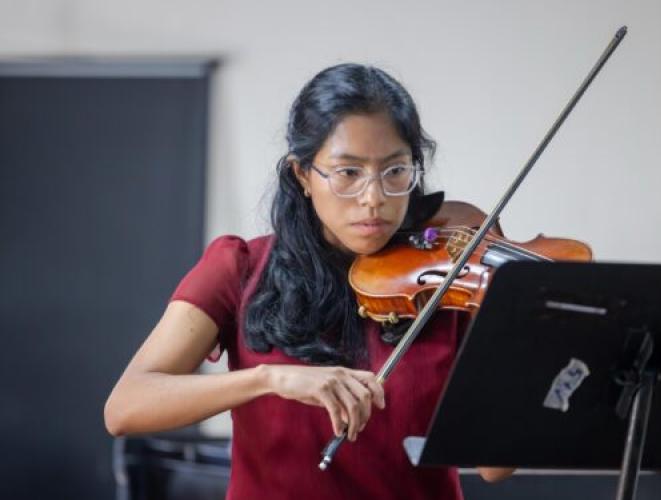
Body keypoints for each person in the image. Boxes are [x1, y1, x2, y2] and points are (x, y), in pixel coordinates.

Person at [104, 63, 513, 499]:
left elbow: (495, 467)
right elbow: (125, 407)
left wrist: (526, 340)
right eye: (348, 173)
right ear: (302, 174)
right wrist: (268, 379)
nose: (374, 198)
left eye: (395, 171)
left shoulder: (452, 279)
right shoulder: (239, 268)